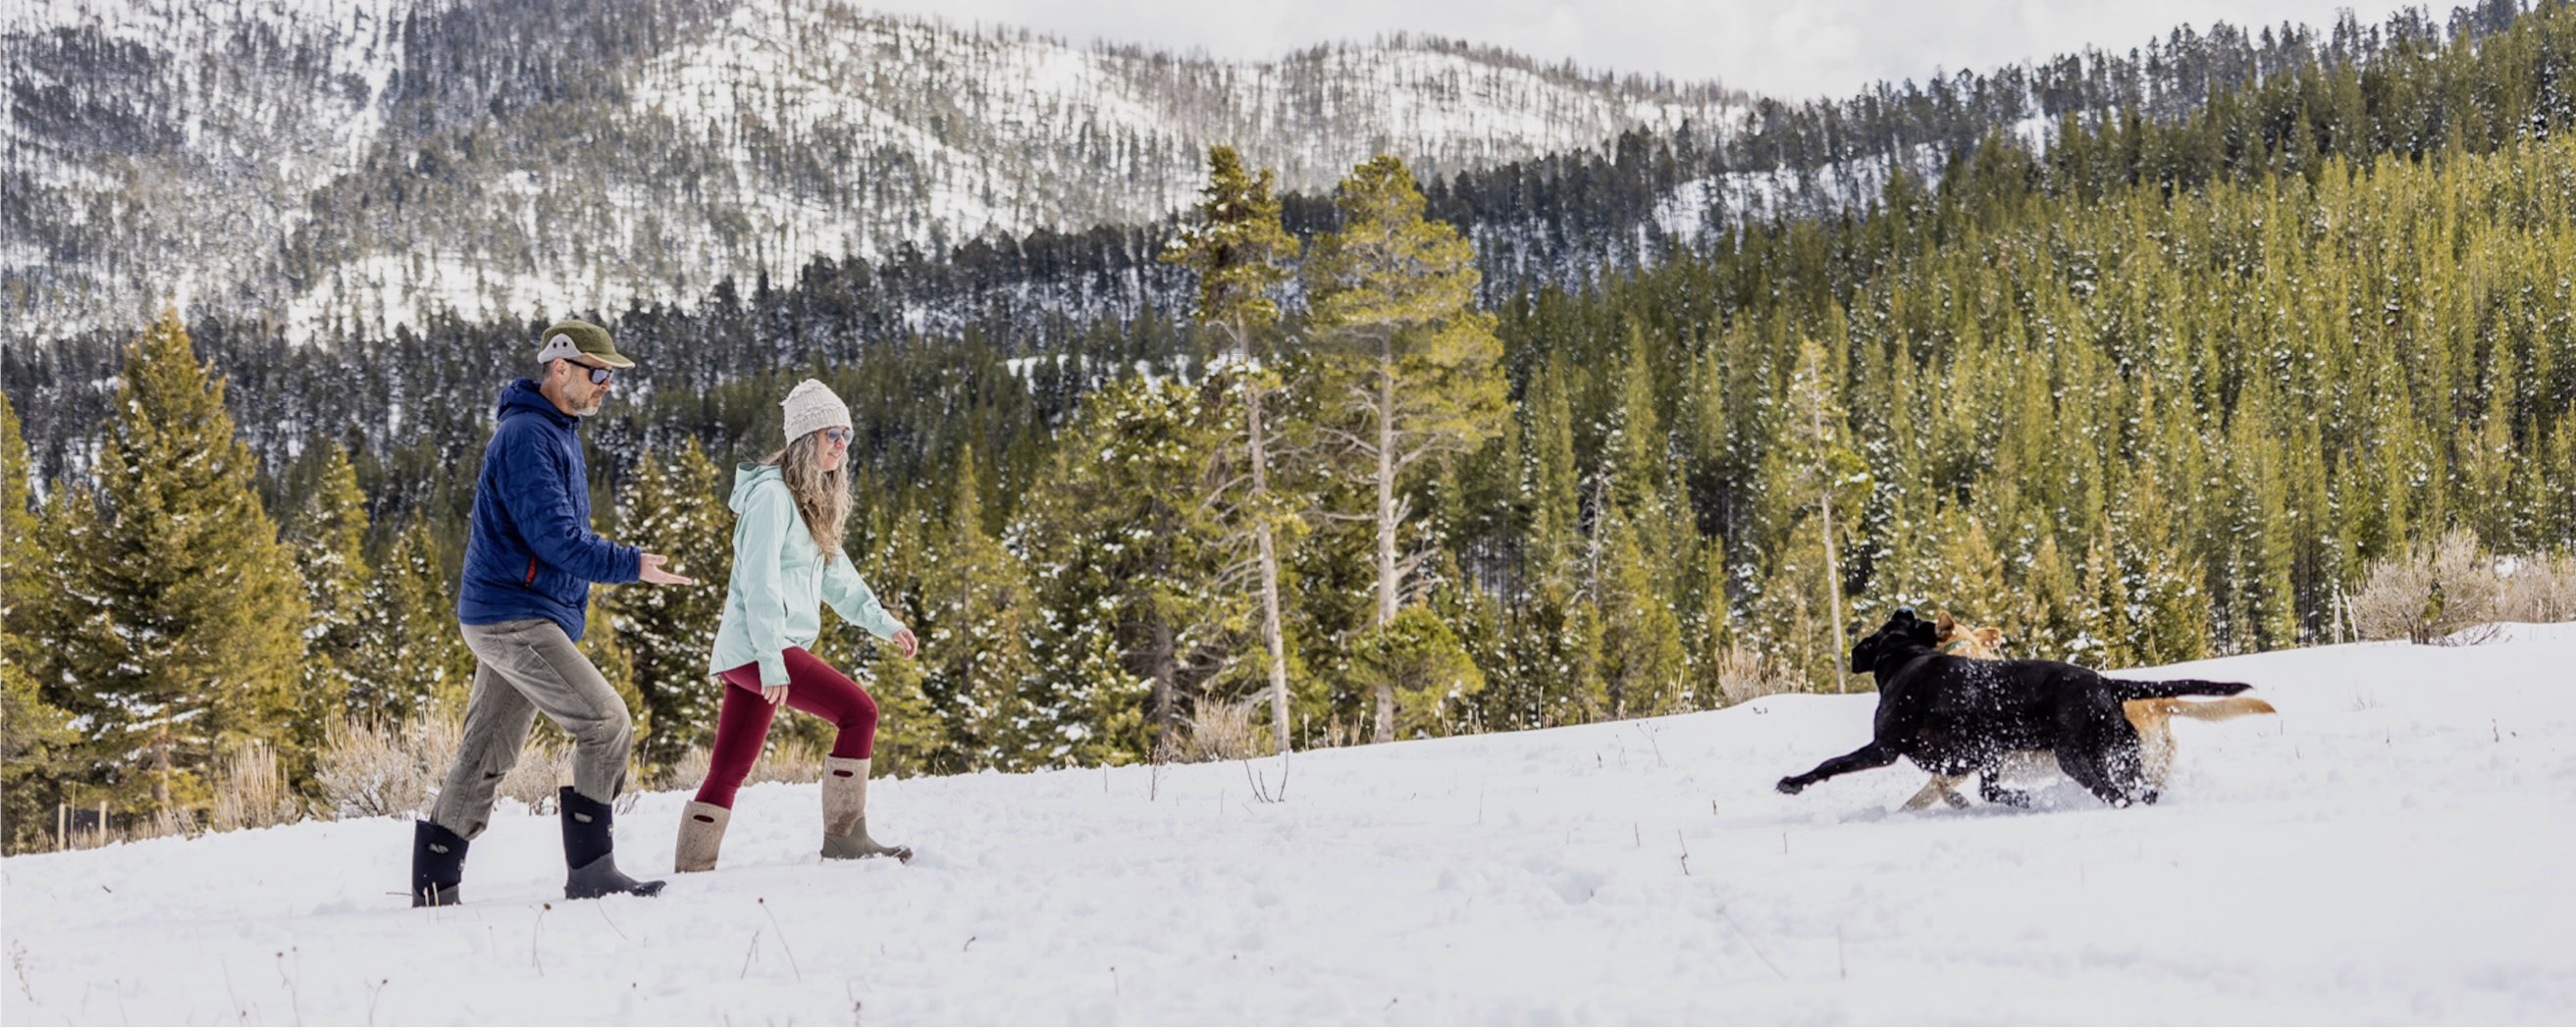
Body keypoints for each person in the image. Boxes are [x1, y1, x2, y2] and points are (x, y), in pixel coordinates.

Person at [409, 319, 697, 906]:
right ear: (559, 366)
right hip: (513, 616)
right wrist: (631, 564)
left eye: (611, 376)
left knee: (488, 748)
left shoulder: (557, 430)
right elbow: (558, 540)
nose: (606, 386)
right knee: (605, 722)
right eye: (599, 373)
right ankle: (592, 870)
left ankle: (434, 883)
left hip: (514, 611)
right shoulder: (527, 438)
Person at [674, 379, 920, 873]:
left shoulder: (808, 500)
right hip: (761, 647)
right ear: (807, 438)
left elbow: (840, 579)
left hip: (759, 651)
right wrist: (771, 660)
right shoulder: (770, 498)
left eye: (847, 436)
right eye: (833, 435)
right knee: (859, 713)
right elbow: (758, 584)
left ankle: (692, 868)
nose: (841, 446)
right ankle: (846, 839)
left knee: (729, 768)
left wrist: (885, 623)